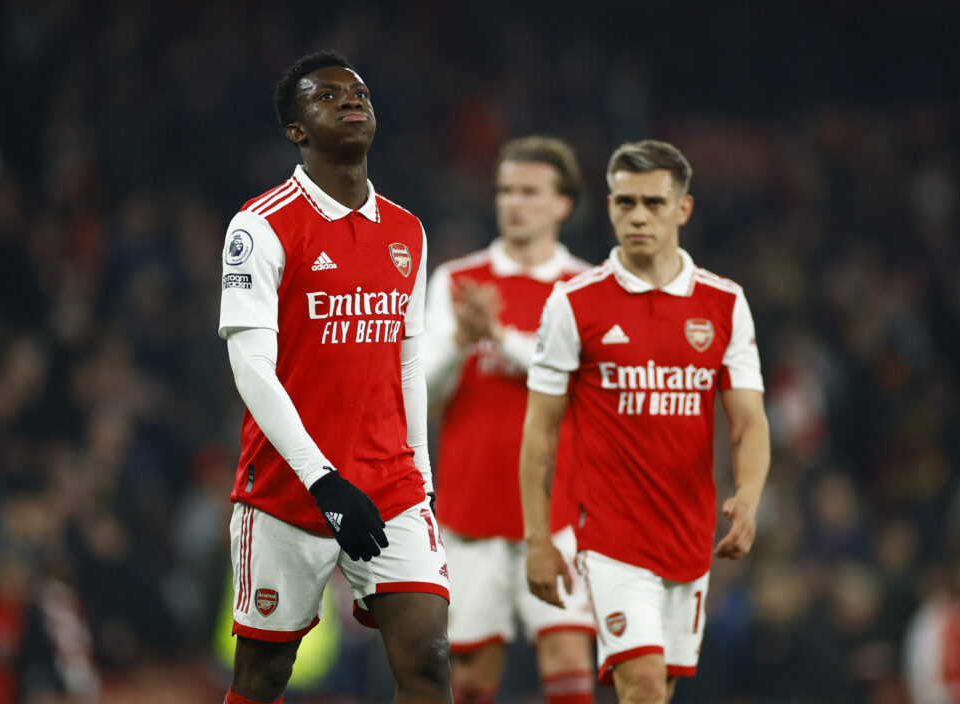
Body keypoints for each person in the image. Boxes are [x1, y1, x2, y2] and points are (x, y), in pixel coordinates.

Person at [217, 51, 450, 704]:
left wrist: (422, 477)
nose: (352, 100)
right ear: (296, 129)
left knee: (429, 656)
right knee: (263, 677)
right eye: (327, 95)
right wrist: (323, 479)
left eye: (360, 92)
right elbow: (251, 368)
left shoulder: (406, 230)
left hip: (390, 484)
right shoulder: (260, 226)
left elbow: (406, 363)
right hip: (289, 491)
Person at [520, 139, 771, 704]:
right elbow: (540, 428)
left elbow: (750, 422)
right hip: (611, 536)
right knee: (643, 683)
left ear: (682, 209)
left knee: (660, 689)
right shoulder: (573, 304)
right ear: (609, 205)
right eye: (625, 202)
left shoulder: (724, 303)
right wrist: (538, 539)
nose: (637, 216)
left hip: (689, 535)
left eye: (653, 203)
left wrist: (749, 498)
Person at [423, 136, 596, 704]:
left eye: (529, 191)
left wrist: (497, 336)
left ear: (563, 203)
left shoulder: (587, 288)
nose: (513, 203)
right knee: (472, 674)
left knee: (568, 656)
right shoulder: (457, 281)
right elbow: (422, 392)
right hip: (471, 509)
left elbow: (575, 380)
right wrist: (460, 340)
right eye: (505, 191)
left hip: (559, 511)